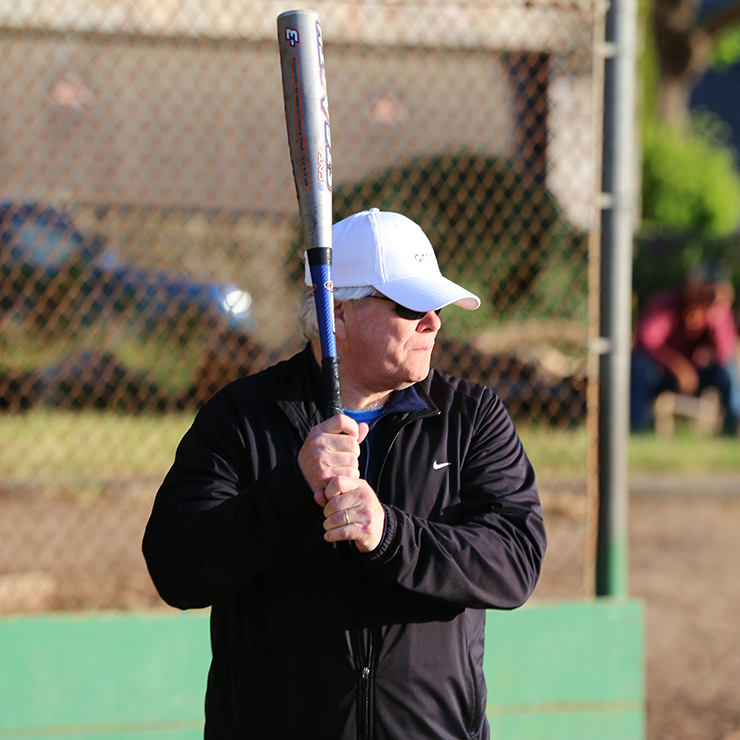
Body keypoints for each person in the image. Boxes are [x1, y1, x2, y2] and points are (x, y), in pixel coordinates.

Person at [142, 208, 547, 739]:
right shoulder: (243, 416)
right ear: (338, 314)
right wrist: (290, 488)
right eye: (410, 305)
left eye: (435, 305)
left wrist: (389, 535)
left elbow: (514, 561)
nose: (434, 321)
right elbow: (177, 567)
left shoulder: (470, 416)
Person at [630, 262, 740, 436]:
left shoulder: (718, 310)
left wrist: (714, 315)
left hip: (696, 376)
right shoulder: (666, 303)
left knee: (728, 370)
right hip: (661, 374)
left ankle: (733, 430)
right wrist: (677, 366)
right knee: (638, 365)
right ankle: (636, 428)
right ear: (690, 283)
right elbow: (646, 342)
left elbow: (723, 355)